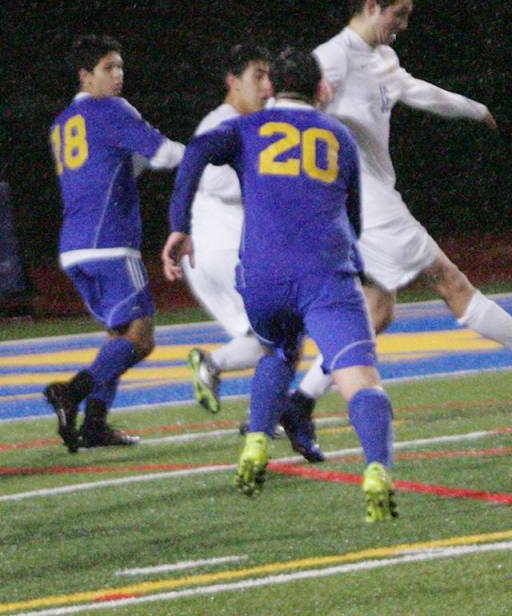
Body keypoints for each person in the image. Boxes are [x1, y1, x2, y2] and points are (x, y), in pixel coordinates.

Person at [271, 0, 512, 463]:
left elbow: (418, 92)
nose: (403, 24)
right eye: (398, 14)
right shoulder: (329, 59)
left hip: (371, 199)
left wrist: (474, 109)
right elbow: (282, 118)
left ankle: (298, 402)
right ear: (372, 6)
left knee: (376, 314)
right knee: (449, 280)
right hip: (367, 204)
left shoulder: (381, 61)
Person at [162, 48, 398, 522]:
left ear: (272, 87)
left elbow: (195, 157)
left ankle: (255, 442)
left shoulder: (244, 128)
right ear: (319, 89)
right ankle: (377, 470)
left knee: (276, 350)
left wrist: (178, 225)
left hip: (263, 275)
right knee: (359, 377)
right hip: (324, 274)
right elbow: (352, 219)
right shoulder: (338, 136)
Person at [43, 35, 185, 452]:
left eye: (120, 66)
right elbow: (162, 154)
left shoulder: (62, 122)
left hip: (74, 248)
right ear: (85, 75)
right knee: (141, 338)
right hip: (110, 244)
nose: (118, 75)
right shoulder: (110, 110)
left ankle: (94, 426)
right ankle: (71, 392)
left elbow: (116, 169)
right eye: (108, 68)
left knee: (118, 337)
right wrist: (206, 159)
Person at [183, 44, 273, 414]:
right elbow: (213, 181)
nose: (267, 86)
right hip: (223, 250)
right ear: (232, 82)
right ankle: (267, 414)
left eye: (270, 77)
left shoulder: (243, 123)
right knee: (279, 335)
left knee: (272, 338)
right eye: (258, 76)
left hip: (219, 250)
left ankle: (265, 413)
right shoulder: (223, 122)